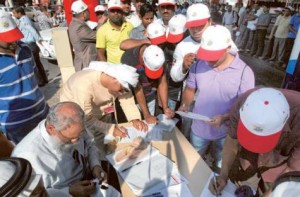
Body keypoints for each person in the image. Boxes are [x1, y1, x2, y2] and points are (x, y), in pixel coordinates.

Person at [179, 25, 255, 171]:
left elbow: (245, 108)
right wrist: (185, 104)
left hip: (225, 134)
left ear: (227, 48)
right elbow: (190, 88)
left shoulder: (244, 72)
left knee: (220, 165)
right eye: (206, 55)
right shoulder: (198, 64)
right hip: (199, 129)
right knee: (195, 164)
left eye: (213, 57)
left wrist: (225, 117)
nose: (208, 61)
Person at [12, 102, 120, 196]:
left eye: (79, 135)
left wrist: (95, 165)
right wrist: (68, 192)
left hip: (89, 179)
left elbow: (89, 143)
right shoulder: (27, 156)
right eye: (70, 138)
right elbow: (35, 194)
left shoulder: (74, 127)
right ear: (51, 128)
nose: (76, 142)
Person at [208, 87, 300, 196]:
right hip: (246, 155)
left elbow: (292, 170)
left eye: (263, 139)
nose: (258, 147)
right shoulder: (245, 102)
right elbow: (231, 142)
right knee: (234, 183)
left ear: (284, 122)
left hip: (280, 165)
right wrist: (223, 175)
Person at [60, 62, 147, 159]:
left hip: (100, 110)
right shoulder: (83, 85)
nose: (121, 93)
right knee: (88, 144)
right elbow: (86, 118)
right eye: (121, 90)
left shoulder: (119, 83)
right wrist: (111, 129)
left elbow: (126, 99)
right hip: (76, 114)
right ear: (114, 78)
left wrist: (135, 119)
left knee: (104, 140)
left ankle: (104, 159)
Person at [0, 11, 49, 144]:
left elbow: (33, 79)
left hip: (42, 113)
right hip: (17, 125)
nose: (14, 41)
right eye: (8, 38)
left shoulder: (25, 50)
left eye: (15, 36)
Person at [121, 44, 175, 122]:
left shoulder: (158, 55)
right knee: (138, 124)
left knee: (151, 125)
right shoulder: (129, 60)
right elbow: (138, 89)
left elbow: (162, 83)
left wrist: (165, 107)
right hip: (133, 98)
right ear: (143, 60)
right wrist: (146, 114)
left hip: (150, 95)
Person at [12, 6, 49, 87]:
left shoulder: (24, 20)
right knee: (37, 63)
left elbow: (32, 30)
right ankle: (44, 79)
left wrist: (39, 39)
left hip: (30, 44)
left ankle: (40, 81)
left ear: (19, 13)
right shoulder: (25, 19)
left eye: (14, 13)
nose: (13, 15)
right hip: (31, 44)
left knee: (33, 64)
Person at [69, 0, 97, 71]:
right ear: (83, 14)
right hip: (87, 64)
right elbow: (97, 36)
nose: (89, 12)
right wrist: (101, 22)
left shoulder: (74, 24)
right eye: (88, 11)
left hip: (83, 63)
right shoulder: (79, 27)